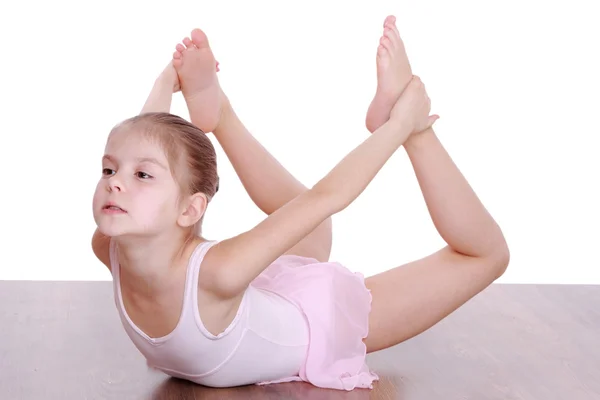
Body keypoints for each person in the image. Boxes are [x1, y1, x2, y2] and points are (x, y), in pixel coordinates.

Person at [91, 16, 510, 391]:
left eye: (141, 176)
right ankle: (218, 114)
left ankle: (418, 131)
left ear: (191, 210)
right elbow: (139, 144)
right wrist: (167, 84)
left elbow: (329, 197)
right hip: (260, 299)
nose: (115, 185)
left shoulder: (219, 271)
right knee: (311, 229)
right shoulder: (113, 245)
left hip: (315, 322)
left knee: (486, 255)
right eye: (108, 171)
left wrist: (400, 127)